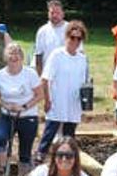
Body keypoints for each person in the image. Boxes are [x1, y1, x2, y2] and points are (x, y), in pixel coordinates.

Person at [36, 19, 89, 163]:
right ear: (66, 37)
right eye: (72, 37)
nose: (75, 41)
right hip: (57, 100)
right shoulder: (57, 55)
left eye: (79, 38)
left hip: (73, 102)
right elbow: (45, 79)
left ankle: (67, 158)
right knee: (50, 130)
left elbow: (85, 83)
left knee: (69, 133)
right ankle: (40, 155)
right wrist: (47, 100)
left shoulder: (82, 59)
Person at [0, 43, 42, 176]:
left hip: (27, 115)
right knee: (0, 138)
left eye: (17, 54)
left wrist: (24, 107)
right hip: (7, 115)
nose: (14, 57)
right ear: (5, 57)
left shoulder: (30, 73)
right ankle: (2, 171)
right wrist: (6, 105)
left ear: (21, 57)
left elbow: (39, 94)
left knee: (25, 148)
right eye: (10, 54)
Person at [34, 0, 68, 74]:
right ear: (48, 14)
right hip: (48, 73)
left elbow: (79, 54)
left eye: (57, 13)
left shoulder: (70, 29)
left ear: (63, 14)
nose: (55, 15)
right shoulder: (42, 31)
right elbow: (38, 56)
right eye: (52, 13)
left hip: (67, 72)